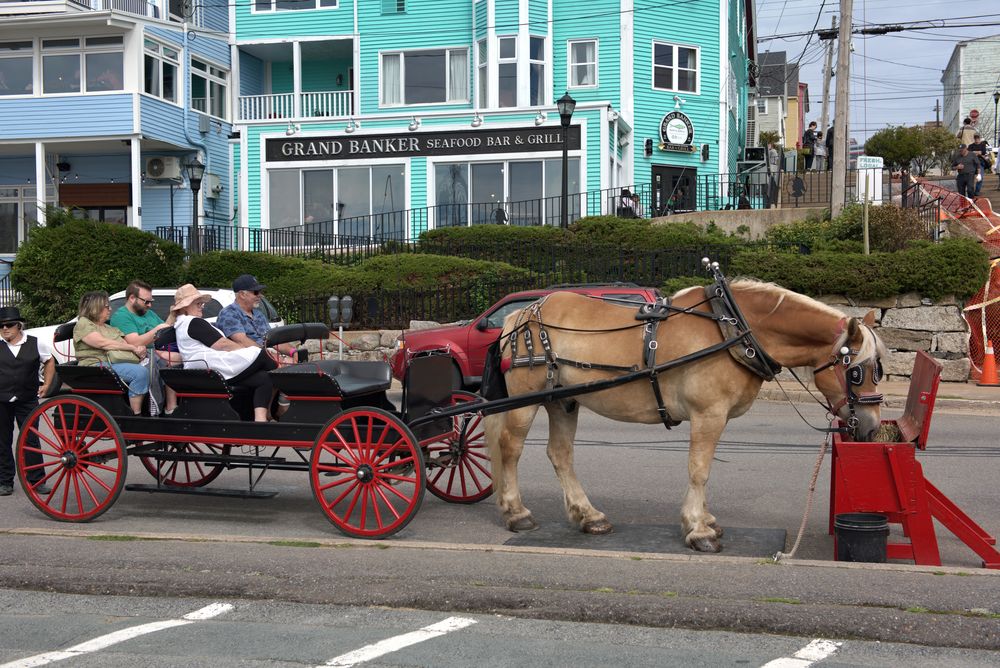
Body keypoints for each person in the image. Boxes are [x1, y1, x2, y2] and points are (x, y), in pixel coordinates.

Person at [171, 284, 277, 422]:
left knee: (265, 378)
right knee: (263, 355)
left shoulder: (186, 322)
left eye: (201, 303)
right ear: (185, 306)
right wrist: (245, 350)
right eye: (198, 303)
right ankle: (284, 396)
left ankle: (260, 419)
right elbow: (222, 344)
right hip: (211, 369)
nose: (202, 306)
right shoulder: (192, 322)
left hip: (210, 367)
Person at [0, 306, 55, 497]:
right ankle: (5, 481)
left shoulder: (36, 343)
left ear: (18, 325)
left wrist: (46, 384)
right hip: (1, 399)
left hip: (27, 399)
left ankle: (37, 480)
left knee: (31, 439)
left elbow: (49, 361)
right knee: (2, 441)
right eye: (1, 326)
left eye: (9, 325)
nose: (5, 328)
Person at [73, 291, 149, 415]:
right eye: (107, 306)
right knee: (140, 373)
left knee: (153, 364)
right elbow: (103, 343)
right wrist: (132, 348)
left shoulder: (107, 327)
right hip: (94, 366)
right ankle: (136, 415)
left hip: (111, 362)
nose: (110, 309)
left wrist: (139, 349)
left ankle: (152, 408)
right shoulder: (84, 324)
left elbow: (123, 343)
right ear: (95, 308)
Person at [110, 279, 177, 414]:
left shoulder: (147, 313)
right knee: (175, 359)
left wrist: (173, 315)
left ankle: (172, 405)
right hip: (139, 355)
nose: (150, 305)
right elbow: (135, 342)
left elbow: (164, 329)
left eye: (151, 301)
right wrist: (157, 330)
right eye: (146, 301)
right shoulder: (121, 316)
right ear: (132, 298)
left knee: (184, 355)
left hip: (156, 350)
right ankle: (168, 407)